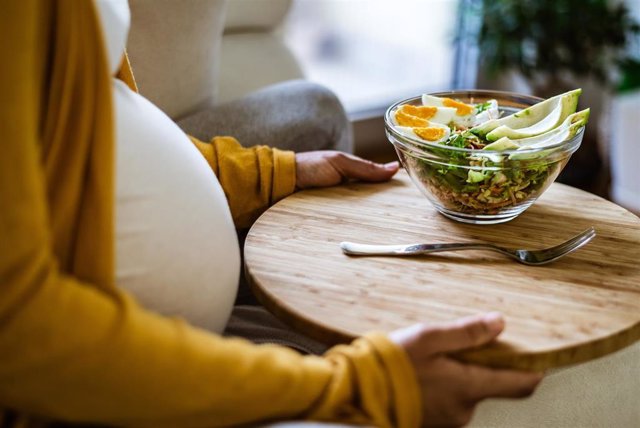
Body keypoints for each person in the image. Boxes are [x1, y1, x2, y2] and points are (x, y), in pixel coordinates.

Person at [0, 1, 542, 427]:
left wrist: (271, 171)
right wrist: (354, 388)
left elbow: (92, 127)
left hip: (110, 234)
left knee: (313, 110)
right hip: (71, 368)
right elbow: (19, 332)